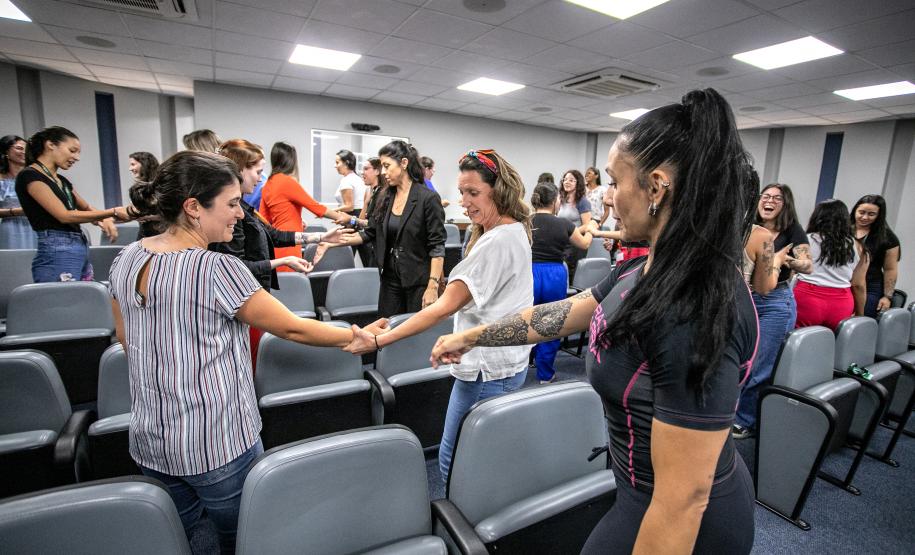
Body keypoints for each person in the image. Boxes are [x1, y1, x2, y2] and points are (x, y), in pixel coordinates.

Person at [430, 90, 758, 555]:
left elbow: (684, 500)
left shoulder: (692, 303)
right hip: (636, 493)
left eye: (614, 180)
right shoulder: (646, 269)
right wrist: (472, 335)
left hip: (676, 520)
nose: (607, 195)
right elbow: (561, 314)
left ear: (657, 187)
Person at [109, 150, 387, 553]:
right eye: (232, 204)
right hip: (217, 441)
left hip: (152, 437)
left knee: (175, 539)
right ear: (192, 208)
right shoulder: (216, 269)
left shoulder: (126, 258)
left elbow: (124, 338)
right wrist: (355, 339)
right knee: (242, 538)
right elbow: (291, 327)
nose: (240, 214)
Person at [345, 148, 533, 483]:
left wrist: (378, 339)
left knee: (453, 460)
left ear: (499, 190)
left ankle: (455, 528)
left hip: (484, 371)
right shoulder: (516, 229)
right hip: (507, 364)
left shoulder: (495, 242)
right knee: (483, 457)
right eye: (462, 192)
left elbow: (441, 309)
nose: (464, 201)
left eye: (473, 193)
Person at [733, 183, 812, 439]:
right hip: (745, 297)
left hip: (774, 302)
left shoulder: (793, 231)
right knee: (736, 360)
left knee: (761, 365)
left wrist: (784, 260)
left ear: (785, 204)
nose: (769, 201)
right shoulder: (748, 228)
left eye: (776, 198)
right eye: (765, 196)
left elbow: (807, 265)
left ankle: (744, 419)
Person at [333, 141, 446, 316]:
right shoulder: (385, 196)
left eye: (387, 166)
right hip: (390, 278)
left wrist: (433, 286)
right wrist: (333, 241)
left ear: (404, 163)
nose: (383, 172)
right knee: (386, 328)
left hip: (418, 281)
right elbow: (371, 231)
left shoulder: (428, 198)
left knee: (415, 335)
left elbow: (437, 246)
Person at [16, 126, 125, 282]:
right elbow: (64, 216)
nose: (77, 157)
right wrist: (111, 212)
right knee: (63, 301)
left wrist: (104, 220)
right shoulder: (30, 175)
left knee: (81, 296)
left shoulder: (62, 181)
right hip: (57, 247)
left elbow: (86, 208)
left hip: (77, 244)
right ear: (50, 145)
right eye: (72, 151)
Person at [529, 181, 592, 383]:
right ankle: (545, 375)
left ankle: (515, 373)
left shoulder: (525, 222)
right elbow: (584, 243)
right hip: (555, 274)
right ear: (555, 201)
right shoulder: (564, 224)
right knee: (551, 323)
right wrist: (591, 228)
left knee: (523, 320)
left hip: (528, 273)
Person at [259, 141, 349, 270]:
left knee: (282, 285)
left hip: (277, 242)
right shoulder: (287, 182)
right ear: (291, 161)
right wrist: (349, 219)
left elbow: (264, 219)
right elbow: (318, 209)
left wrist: (296, 219)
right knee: (292, 284)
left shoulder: (269, 183)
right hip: (290, 242)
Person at [794, 199, 868, 330]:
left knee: (796, 343)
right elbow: (858, 285)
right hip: (841, 303)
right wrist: (860, 314)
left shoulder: (805, 240)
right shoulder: (858, 246)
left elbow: (791, 272)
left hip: (807, 299)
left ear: (817, 217)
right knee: (829, 345)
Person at [850, 194, 900, 317]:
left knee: (860, 322)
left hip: (870, 286)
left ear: (879, 216)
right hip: (843, 282)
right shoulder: (843, 230)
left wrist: (887, 296)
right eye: (861, 212)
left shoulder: (888, 238)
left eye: (871, 214)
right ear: (855, 210)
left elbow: (890, 269)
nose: (864, 217)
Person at [0, 134, 36, 249]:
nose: (24, 152)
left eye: (27, 149)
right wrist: (16, 212)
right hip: (11, 229)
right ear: (6, 151)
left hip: (38, 227)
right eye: (19, 148)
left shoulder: (35, 177)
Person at [558, 169, 591, 283]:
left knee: (571, 275)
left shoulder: (582, 202)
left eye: (571, 180)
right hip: (562, 242)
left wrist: (570, 232)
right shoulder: (561, 200)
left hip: (575, 243)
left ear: (578, 183)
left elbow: (587, 225)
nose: (567, 182)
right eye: (565, 179)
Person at [352, 156, 385, 267]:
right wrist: (366, 203)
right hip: (368, 238)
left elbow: (375, 224)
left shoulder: (383, 193)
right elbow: (362, 220)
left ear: (377, 171)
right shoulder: (368, 191)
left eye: (366, 169)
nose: (362, 173)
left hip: (376, 243)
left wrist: (351, 219)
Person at [333, 149, 365, 217]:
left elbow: (349, 207)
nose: (335, 166)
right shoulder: (358, 178)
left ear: (346, 163)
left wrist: (328, 212)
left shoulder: (347, 180)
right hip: (358, 216)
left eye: (337, 162)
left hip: (352, 217)